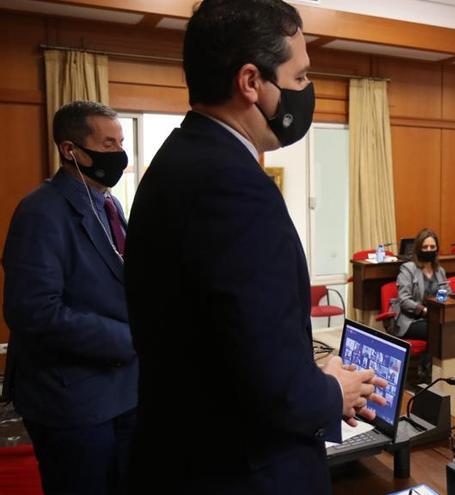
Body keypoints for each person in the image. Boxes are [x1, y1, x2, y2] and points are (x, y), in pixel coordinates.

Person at [123, 2, 385, 493]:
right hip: (241, 469)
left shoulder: (176, 159)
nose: (307, 92)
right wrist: (332, 392)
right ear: (251, 82)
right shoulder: (234, 188)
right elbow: (275, 392)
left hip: (179, 451)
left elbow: (227, 341)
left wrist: (309, 375)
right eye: (301, 76)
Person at [2, 100, 137, 495]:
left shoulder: (110, 204)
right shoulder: (40, 212)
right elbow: (33, 311)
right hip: (71, 399)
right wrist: (129, 340)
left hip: (124, 391)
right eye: (108, 144)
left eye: (120, 142)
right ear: (70, 150)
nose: (119, 155)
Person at [392, 228, 448, 340]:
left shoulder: (439, 271)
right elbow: (404, 300)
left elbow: (447, 293)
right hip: (411, 320)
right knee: (436, 331)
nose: (429, 250)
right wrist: (424, 310)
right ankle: (429, 358)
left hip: (434, 318)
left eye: (432, 247)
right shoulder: (408, 269)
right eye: (425, 247)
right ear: (418, 249)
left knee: (450, 328)